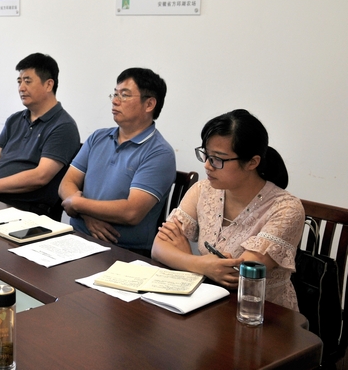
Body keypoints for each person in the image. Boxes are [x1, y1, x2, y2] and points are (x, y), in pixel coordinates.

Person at [151, 109, 305, 310]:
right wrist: (203, 265)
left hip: (262, 313)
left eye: (218, 159)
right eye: (206, 155)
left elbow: (238, 275)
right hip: (208, 305)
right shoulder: (203, 189)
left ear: (252, 162)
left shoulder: (286, 209)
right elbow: (159, 248)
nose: (207, 165)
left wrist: (186, 258)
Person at [59, 68, 176, 253]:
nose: (115, 101)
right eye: (115, 94)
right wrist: (87, 216)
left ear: (149, 104)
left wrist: (77, 204)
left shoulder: (159, 153)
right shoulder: (98, 137)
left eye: (125, 95)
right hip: (77, 236)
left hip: (122, 251)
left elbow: (131, 212)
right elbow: (67, 183)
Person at [0, 53, 80, 217]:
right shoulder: (15, 119)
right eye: (19, 81)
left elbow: (40, 176)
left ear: (48, 85)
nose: (21, 88)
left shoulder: (63, 126)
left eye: (27, 81)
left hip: (27, 211)